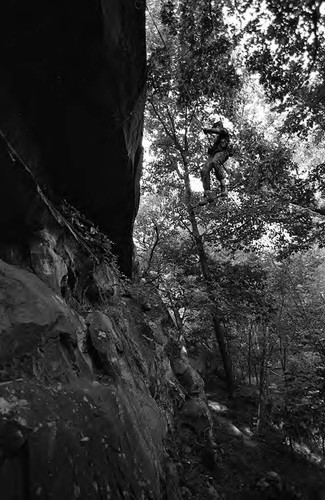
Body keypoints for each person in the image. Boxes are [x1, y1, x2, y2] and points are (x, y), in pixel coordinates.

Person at [200, 120, 232, 204]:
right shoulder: (216, 142)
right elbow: (211, 152)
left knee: (215, 162)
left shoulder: (224, 132)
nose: (214, 130)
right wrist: (210, 150)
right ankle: (208, 194)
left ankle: (224, 187)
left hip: (222, 152)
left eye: (215, 128)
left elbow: (218, 131)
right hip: (214, 154)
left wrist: (208, 130)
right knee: (204, 170)